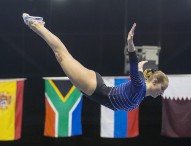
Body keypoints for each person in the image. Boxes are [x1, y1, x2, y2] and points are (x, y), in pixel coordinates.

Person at [22, 13, 169, 111]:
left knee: (63, 56)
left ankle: (38, 25)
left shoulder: (141, 88)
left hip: (96, 87)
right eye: (162, 89)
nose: (161, 93)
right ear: (155, 82)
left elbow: (137, 69)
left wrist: (142, 66)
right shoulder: (140, 86)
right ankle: (36, 25)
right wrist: (130, 43)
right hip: (94, 88)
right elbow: (133, 64)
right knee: (61, 55)